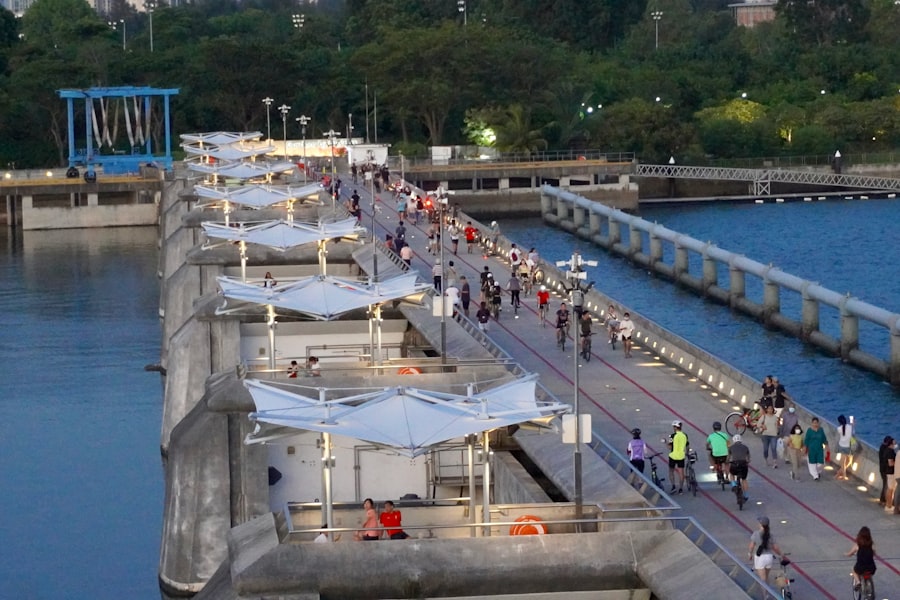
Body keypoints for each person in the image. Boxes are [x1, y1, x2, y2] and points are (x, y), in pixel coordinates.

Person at [748, 515, 785, 585]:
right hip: (769, 557)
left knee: (762, 580)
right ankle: (768, 592)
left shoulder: (756, 534)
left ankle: (765, 595)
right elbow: (775, 547)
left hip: (760, 558)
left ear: (761, 524)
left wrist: (750, 554)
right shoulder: (770, 534)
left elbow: (751, 546)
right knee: (766, 577)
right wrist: (781, 554)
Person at [846, 526, 876, 590]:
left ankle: (858, 582)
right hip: (871, 567)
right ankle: (868, 583)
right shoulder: (871, 545)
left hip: (860, 567)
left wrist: (847, 554)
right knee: (869, 573)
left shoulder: (858, 545)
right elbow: (874, 553)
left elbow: (850, 553)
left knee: (854, 571)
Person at [803, 417, 829, 481]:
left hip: (819, 449)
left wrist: (827, 447)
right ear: (812, 423)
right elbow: (806, 440)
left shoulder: (821, 430)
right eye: (814, 423)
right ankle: (815, 476)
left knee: (821, 463)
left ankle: (817, 472)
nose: (815, 424)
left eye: (816, 423)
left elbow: (824, 439)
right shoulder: (809, 430)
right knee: (812, 463)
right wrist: (805, 448)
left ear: (818, 423)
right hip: (811, 449)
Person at [668, 420, 688, 494]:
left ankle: (673, 486)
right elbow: (687, 446)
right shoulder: (685, 435)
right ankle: (681, 489)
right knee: (681, 473)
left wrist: (665, 443)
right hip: (681, 456)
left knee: (671, 471)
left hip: (673, 456)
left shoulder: (672, 436)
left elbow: (669, 447)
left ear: (675, 427)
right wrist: (687, 453)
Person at [729, 434, 751, 499]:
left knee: (731, 473)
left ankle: (733, 485)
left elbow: (728, 458)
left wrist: (728, 461)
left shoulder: (731, 447)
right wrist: (748, 461)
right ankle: (746, 495)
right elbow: (748, 458)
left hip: (734, 465)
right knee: (744, 479)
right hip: (743, 465)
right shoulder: (745, 447)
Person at [878, 436, 895, 508]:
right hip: (886, 470)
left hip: (883, 469)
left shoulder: (882, 448)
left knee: (885, 485)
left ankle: (884, 500)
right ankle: (884, 500)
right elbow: (890, 462)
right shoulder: (888, 451)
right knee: (887, 486)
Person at [836, 414, 854, 480]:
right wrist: (851, 418)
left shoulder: (838, 429)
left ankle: (841, 474)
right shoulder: (849, 427)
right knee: (849, 461)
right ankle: (842, 474)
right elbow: (852, 425)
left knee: (843, 462)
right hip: (849, 446)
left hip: (842, 446)